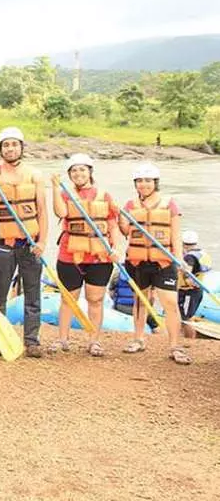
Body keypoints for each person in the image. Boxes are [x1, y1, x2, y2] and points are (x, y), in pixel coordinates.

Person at [0, 126, 48, 358]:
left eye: (14, 144)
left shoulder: (35, 176)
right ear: (1, 149)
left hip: (30, 244)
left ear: (21, 147)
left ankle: (32, 340)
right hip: (3, 244)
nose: (10, 148)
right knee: (0, 295)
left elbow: (43, 212)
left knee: (32, 294)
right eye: (6, 145)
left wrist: (43, 242)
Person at [49, 153, 120, 357]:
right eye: (73, 171)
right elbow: (61, 213)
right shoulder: (65, 194)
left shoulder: (104, 195)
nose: (78, 173)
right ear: (69, 175)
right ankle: (62, 339)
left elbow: (113, 225)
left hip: (99, 257)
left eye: (82, 169)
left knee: (95, 299)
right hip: (70, 255)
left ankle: (94, 340)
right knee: (68, 299)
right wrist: (55, 187)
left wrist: (116, 248)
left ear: (90, 172)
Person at [120, 162, 191, 364]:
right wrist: (120, 222)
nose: (144, 184)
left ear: (155, 182)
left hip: (163, 262)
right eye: (140, 181)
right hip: (138, 260)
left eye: (148, 181)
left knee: (169, 302)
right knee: (141, 301)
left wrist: (180, 258)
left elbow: (176, 235)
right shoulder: (130, 205)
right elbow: (125, 232)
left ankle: (175, 346)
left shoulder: (169, 203)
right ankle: (138, 339)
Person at [178, 230, 212, 339]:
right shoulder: (201, 253)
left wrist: (184, 277)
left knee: (186, 318)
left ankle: (189, 340)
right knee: (188, 316)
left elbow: (187, 272)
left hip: (188, 291)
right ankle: (186, 337)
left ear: (183, 243)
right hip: (196, 290)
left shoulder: (189, 257)